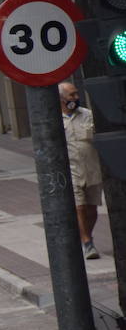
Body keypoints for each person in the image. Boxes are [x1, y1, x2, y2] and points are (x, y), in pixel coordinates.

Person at [60, 82, 102, 259]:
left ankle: (87, 235)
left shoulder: (87, 115)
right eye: (71, 95)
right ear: (61, 99)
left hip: (92, 170)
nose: (76, 98)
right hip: (72, 172)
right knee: (80, 207)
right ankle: (87, 242)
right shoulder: (55, 120)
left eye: (76, 94)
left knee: (92, 210)